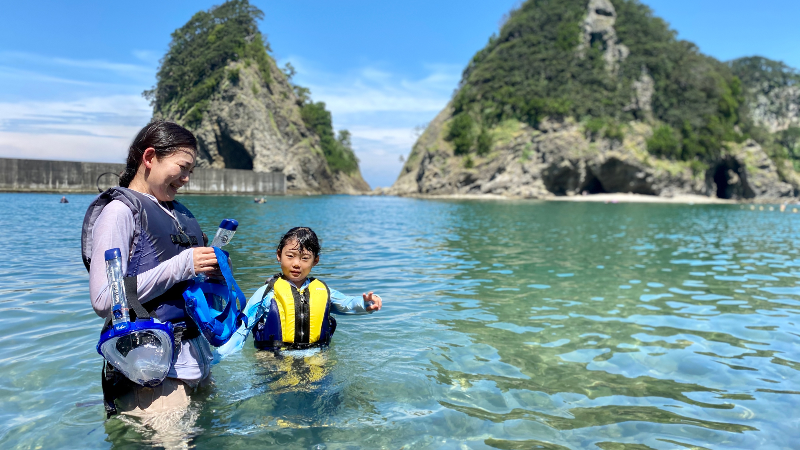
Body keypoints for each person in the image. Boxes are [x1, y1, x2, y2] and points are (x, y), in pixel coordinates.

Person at [81, 120, 220, 421]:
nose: (186, 179)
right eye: (182, 167)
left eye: (190, 172)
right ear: (149, 158)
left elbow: (183, 280)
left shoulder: (176, 213)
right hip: (150, 368)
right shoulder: (119, 212)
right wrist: (183, 264)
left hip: (193, 359)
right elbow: (105, 299)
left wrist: (213, 271)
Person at [216, 226, 382, 358]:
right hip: (274, 359)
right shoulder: (266, 293)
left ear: (315, 261)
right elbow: (242, 328)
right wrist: (219, 356)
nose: (296, 264)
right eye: (290, 256)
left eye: (305, 258)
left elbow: (346, 304)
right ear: (279, 256)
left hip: (316, 357)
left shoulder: (322, 290)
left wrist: (365, 304)